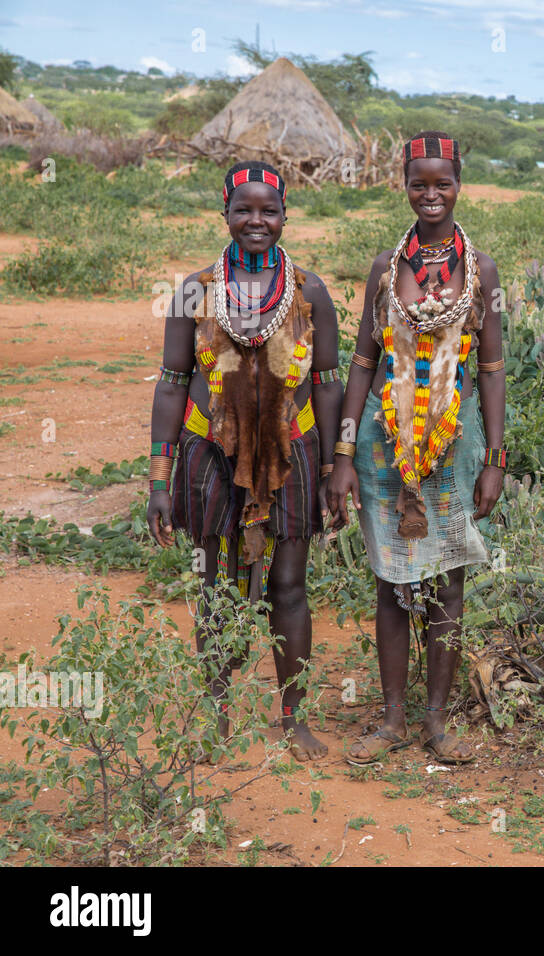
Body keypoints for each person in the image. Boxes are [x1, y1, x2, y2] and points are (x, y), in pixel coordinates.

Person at [147, 160, 342, 762]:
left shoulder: (309, 291)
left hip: (294, 450)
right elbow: (173, 382)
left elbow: (330, 382)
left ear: (285, 216)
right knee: (216, 587)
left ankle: (294, 718)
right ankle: (217, 714)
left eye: (269, 211)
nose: (256, 221)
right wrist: (160, 474)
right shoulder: (196, 290)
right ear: (225, 214)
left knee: (288, 586)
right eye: (244, 210)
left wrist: (337, 466)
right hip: (212, 452)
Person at [328, 132, 506, 767]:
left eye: (443, 183)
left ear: (460, 184)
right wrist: (343, 453)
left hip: (456, 446)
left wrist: (496, 460)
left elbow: (490, 369)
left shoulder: (479, 270)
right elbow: (359, 363)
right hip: (382, 444)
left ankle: (436, 720)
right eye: (418, 183)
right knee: (391, 584)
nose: (431, 195)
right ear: (403, 186)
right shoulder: (385, 266)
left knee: (448, 584)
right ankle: (393, 719)